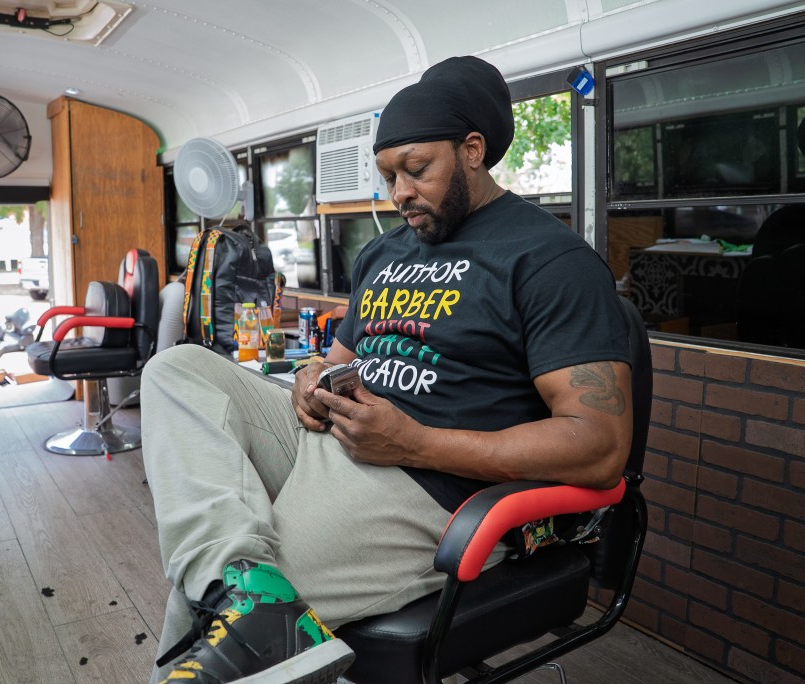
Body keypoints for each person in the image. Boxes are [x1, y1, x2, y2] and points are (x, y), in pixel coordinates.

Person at [142, 55, 633, 684]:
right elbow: (338, 360)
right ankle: (248, 596)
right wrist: (310, 378)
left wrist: (416, 442)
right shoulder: (386, 250)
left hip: (428, 484)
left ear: (473, 151)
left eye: (416, 170)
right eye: (387, 175)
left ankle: (251, 611)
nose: (399, 193)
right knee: (177, 369)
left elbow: (599, 447)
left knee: (207, 604)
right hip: (334, 441)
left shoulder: (549, 261)